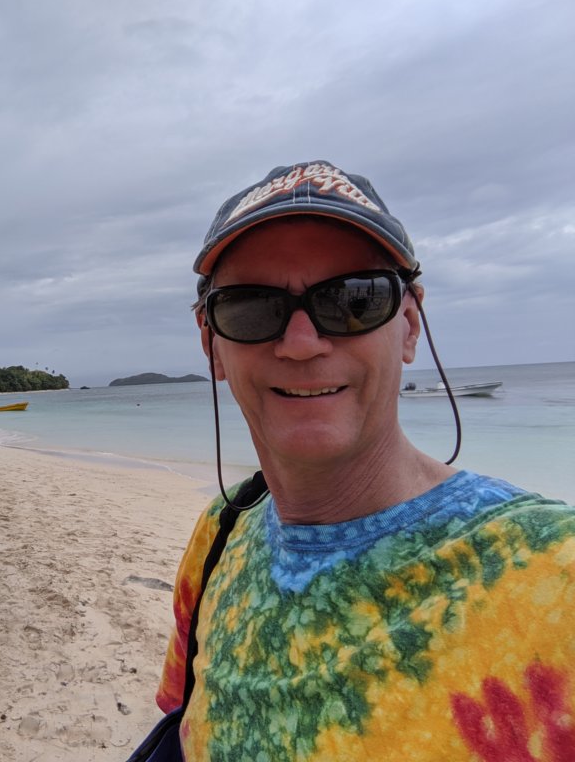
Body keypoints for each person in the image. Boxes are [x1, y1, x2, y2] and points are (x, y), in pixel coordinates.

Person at [152, 161, 575, 761]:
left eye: (354, 299)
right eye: (251, 308)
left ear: (409, 326)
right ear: (211, 345)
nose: (301, 343)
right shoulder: (220, 534)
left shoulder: (552, 575)